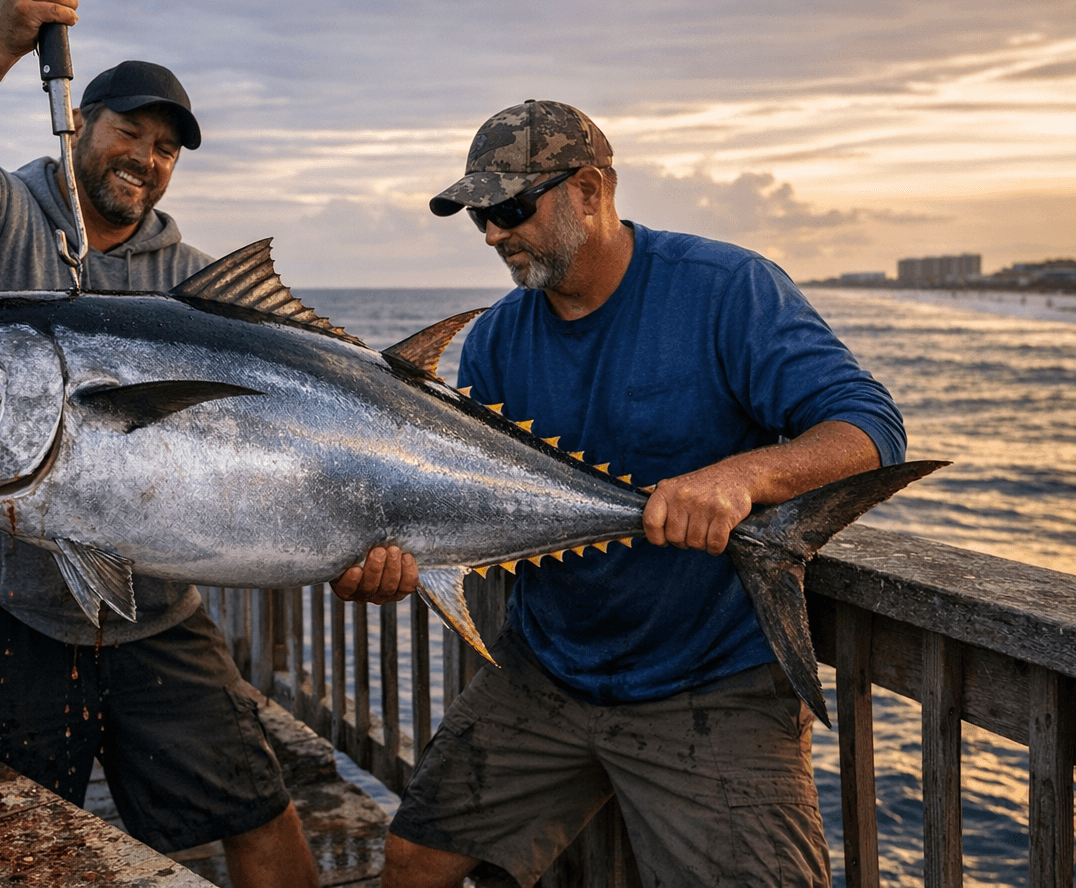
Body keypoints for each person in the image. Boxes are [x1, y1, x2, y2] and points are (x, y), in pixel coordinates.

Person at [0, 0, 413, 888]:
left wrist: (365, 529)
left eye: (167, 147)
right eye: (129, 131)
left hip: (154, 612)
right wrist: (2, 40)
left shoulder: (193, 286)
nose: (146, 158)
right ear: (79, 121)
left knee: (258, 808)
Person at [373, 101, 906, 888]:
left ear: (588, 191)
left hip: (709, 683)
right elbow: (476, 506)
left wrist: (738, 478)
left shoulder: (727, 290)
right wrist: (395, 554)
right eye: (478, 216)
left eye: (510, 209)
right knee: (411, 859)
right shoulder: (494, 341)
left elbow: (869, 427)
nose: (492, 235)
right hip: (546, 671)